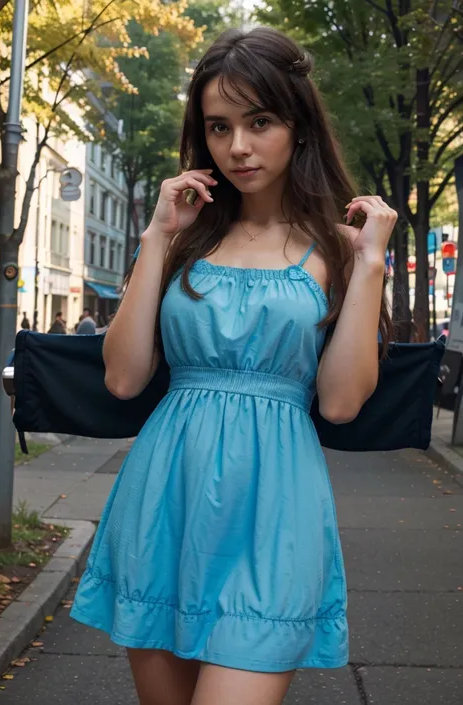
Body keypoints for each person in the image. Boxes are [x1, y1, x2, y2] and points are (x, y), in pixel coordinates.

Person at [70, 27, 397, 705]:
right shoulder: (183, 239)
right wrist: (156, 236)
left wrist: (370, 265)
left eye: (260, 121)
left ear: (298, 125)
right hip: (166, 498)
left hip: (275, 513)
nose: (238, 146)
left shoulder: (339, 251)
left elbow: (338, 401)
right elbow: (125, 376)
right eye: (219, 127)